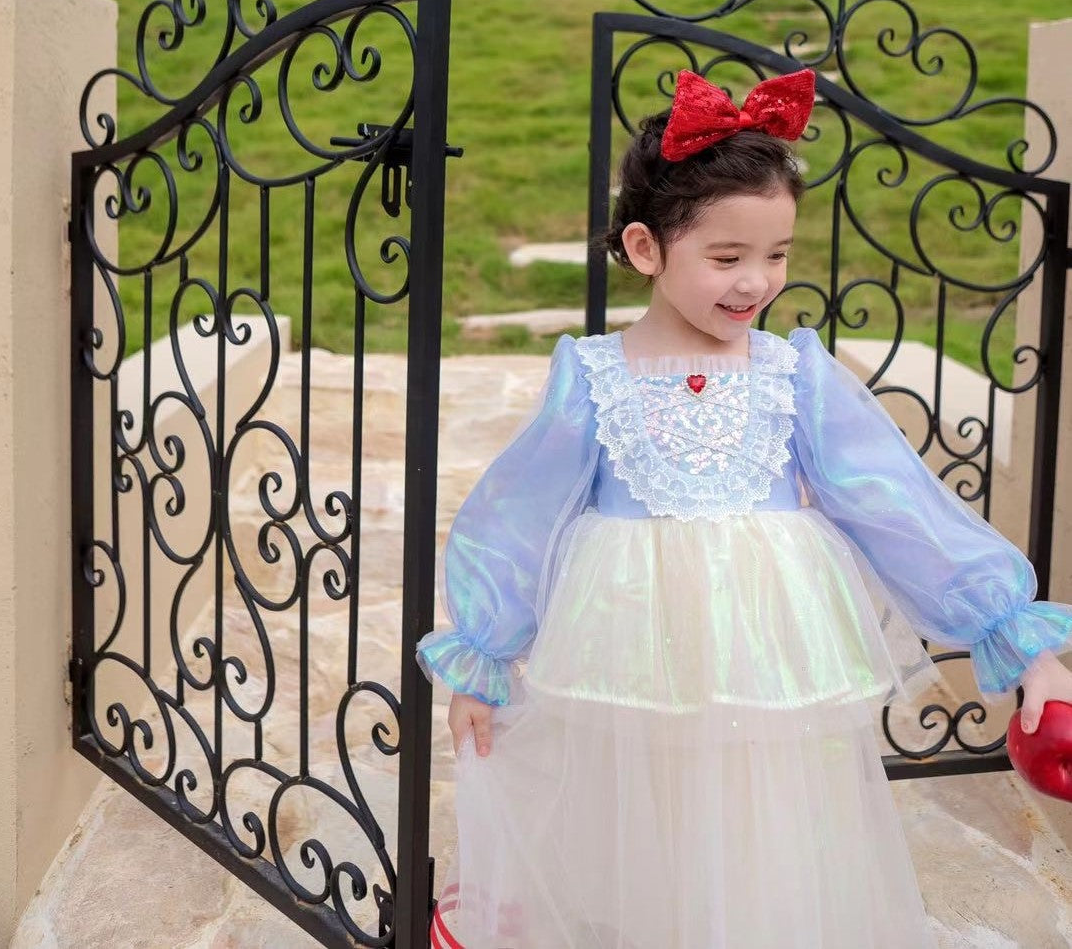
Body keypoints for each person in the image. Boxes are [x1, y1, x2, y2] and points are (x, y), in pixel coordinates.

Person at [416, 67, 1072, 949]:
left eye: (777, 254)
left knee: (762, 807)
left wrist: (1015, 633)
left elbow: (895, 504)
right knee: (646, 802)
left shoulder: (792, 372)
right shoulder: (594, 376)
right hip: (633, 644)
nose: (755, 281)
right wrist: (484, 653)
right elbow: (520, 512)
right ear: (646, 250)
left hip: (768, 645)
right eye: (726, 258)